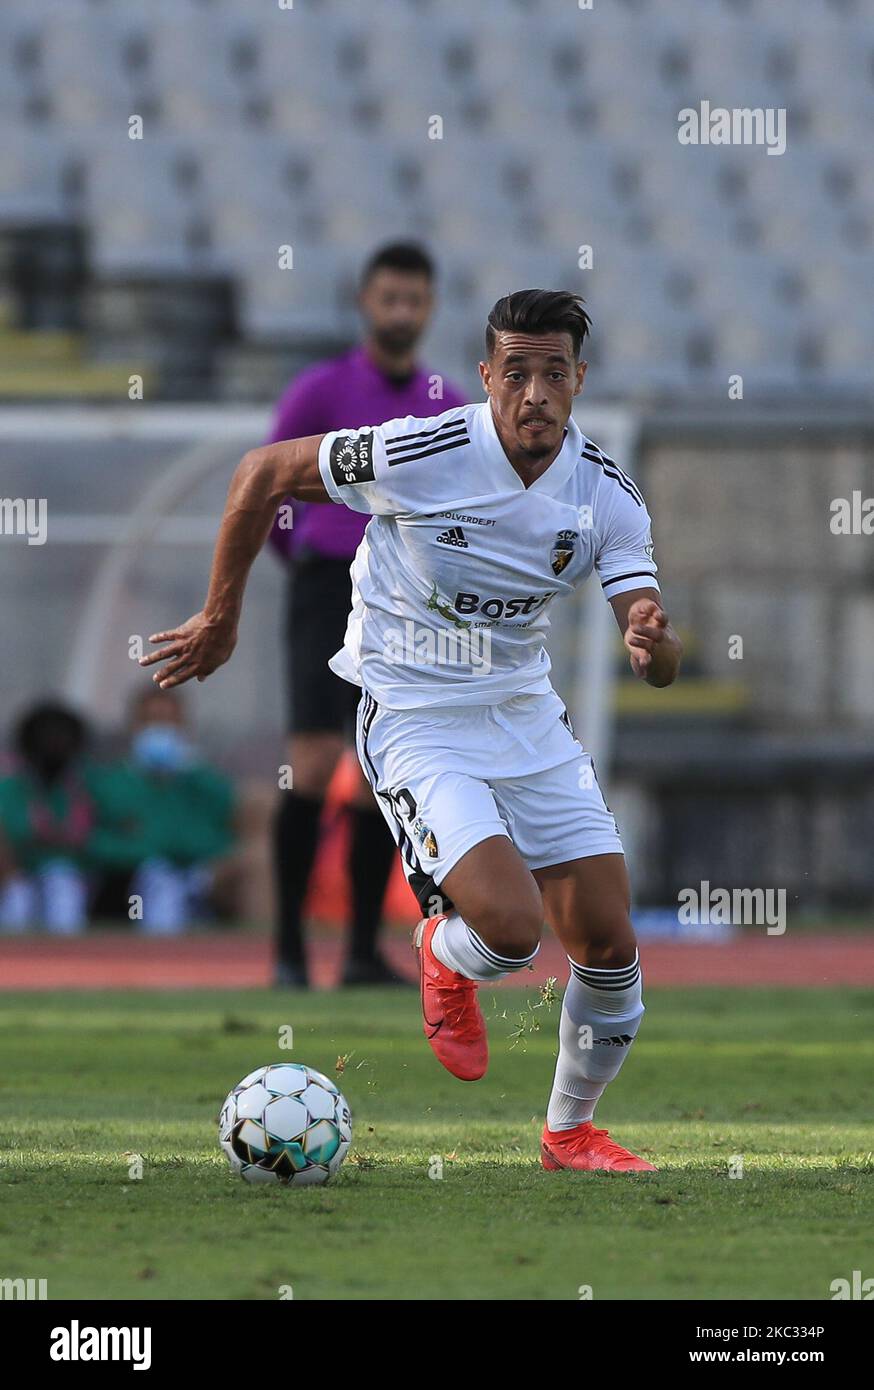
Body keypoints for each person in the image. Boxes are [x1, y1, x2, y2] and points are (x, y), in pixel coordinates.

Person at [141, 288, 683, 1173]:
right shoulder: (427, 447)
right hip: (416, 713)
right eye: (517, 374)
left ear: (579, 380)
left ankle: (569, 1133)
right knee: (510, 931)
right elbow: (260, 474)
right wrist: (221, 617)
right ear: (487, 378)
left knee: (611, 945)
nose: (536, 392)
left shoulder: (606, 495)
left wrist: (651, 641)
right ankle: (442, 947)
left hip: (525, 716)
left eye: (554, 373)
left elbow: (653, 643)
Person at [266, 242, 465, 988]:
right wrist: (308, 557)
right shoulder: (319, 391)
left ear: (430, 306)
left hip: (406, 599)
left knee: (386, 771)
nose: (402, 312)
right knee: (314, 765)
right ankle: (287, 949)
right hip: (327, 591)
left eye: (414, 299)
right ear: (365, 301)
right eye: (390, 298)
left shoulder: (443, 402)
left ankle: (357, 951)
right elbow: (268, 487)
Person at [88, 687, 237, 934]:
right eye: (151, 721)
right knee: (159, 880)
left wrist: (172, 849)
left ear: (184, 727)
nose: (160, 730)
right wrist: (146, 853)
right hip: (128, 884)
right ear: (134, 727)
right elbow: (95, 842)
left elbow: (221, 839)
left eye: (169, 722)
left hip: (198, 880)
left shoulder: (206, 784)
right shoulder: (109, 785)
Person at [0, 702, 94, 933]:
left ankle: (70, 962)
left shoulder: (90, 785)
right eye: (46, 737)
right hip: (17, 877)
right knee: (17, 897)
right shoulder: (10, 787)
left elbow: (99, 837)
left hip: (80, 878)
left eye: (61, 737)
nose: (54, 744)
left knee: (61, 886)